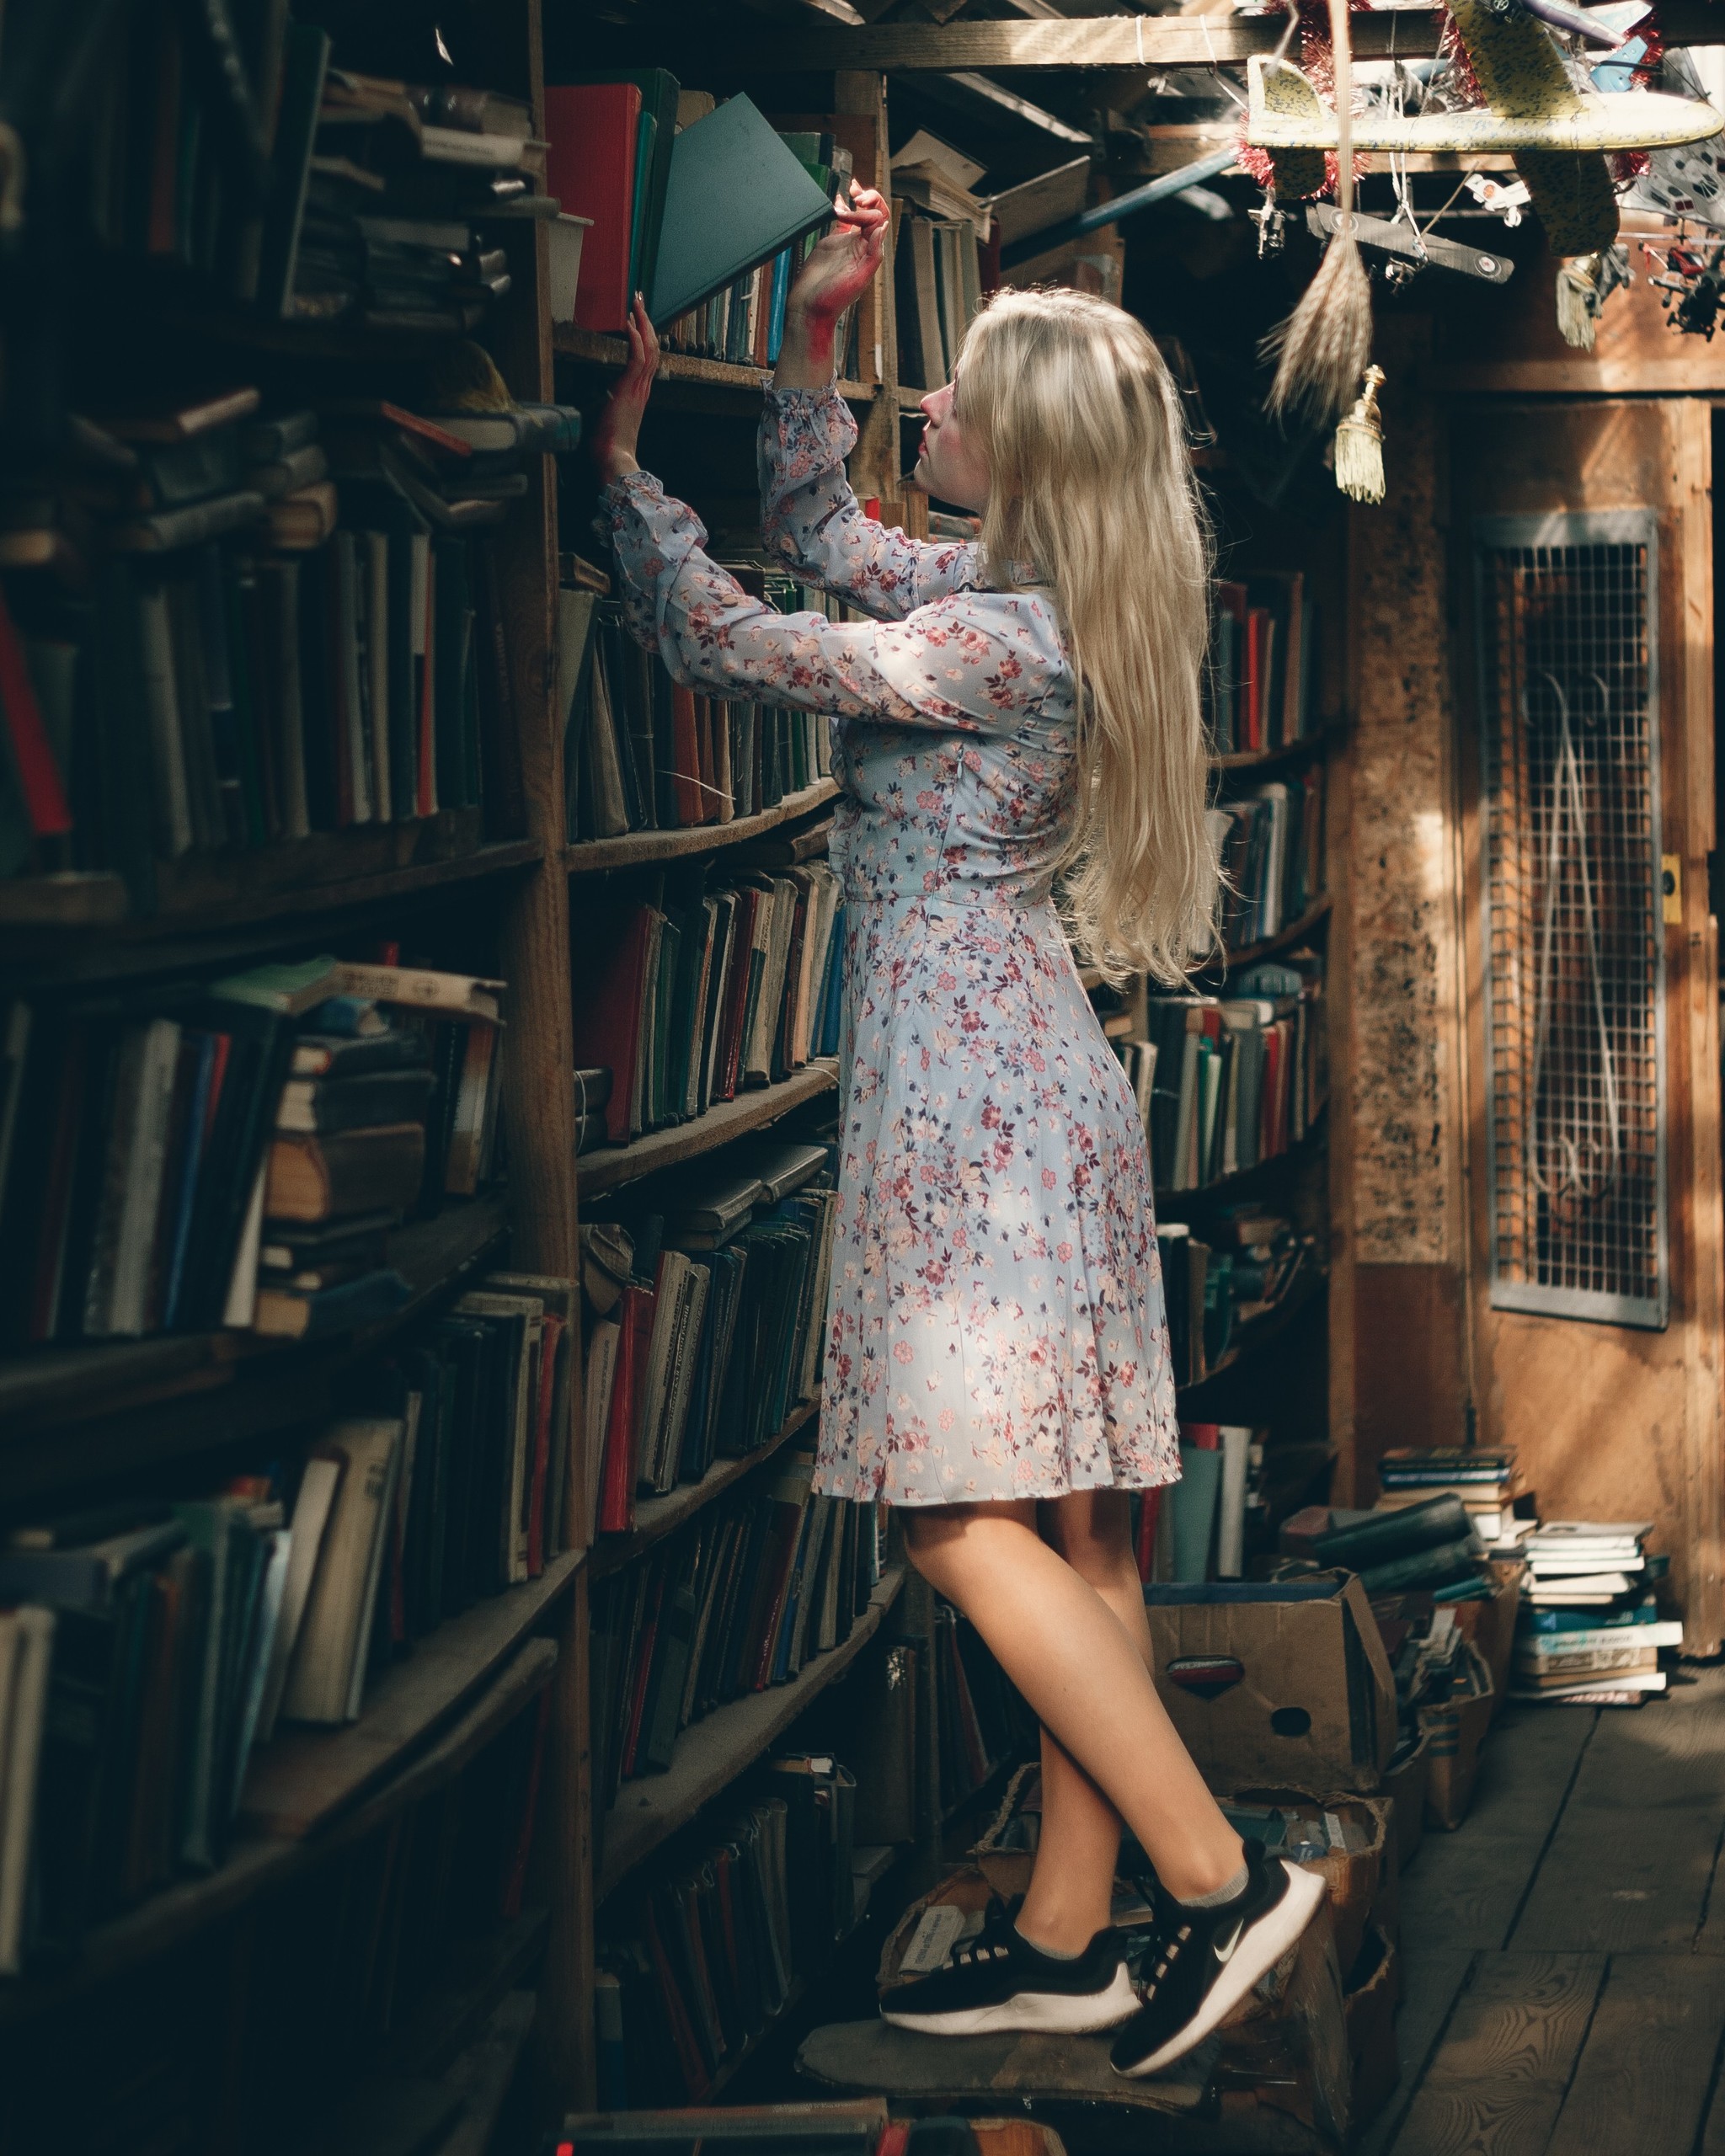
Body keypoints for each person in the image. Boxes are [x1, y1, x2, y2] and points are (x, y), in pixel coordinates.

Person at [590, 185, 1324, 2079]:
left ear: (1025, 449)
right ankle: (1070, 1937)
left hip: (971, 1102)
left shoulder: (1004, 646)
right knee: (1083, 1531)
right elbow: (825, 534)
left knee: (942, 1518)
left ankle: (1217, 1876)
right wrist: (814, 339)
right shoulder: (1029, 602)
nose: (930, 399)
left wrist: (613, 468)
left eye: (952, 390)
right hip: (1028, 1085)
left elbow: (732, 636)